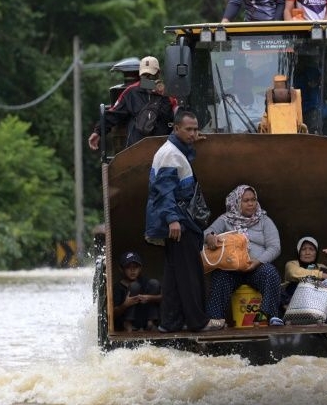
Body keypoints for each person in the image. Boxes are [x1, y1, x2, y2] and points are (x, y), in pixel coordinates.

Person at [144, 111, 226, 332]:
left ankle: (169, 323)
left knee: (174, 275)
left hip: (179, 219)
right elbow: (163, 191)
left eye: (195, 129)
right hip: (179, 221)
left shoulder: (175, 150)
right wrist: (173, 220)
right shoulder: (170, 154)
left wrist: (191, 143)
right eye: (188, 129)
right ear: (176, 129)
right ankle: (199, 322)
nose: (193, 133)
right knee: (191, 273)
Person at [203, 185, 284, 326]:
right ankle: (216, 319)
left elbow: (275, 247)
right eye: (246, 200)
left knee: (271, 273)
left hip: (256, 268)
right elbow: (206, 233)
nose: (251, 203)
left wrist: (258, 261)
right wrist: (210, 237)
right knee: (219, 276)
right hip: (232, 270)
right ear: (237, 202)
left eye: (253, 199)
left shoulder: (264, 221)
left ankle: (269, 315)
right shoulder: (225, 220)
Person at [88, 56, 177, 150]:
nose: (147, 78)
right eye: (144, 75)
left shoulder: (169, 93)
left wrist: (162, 92)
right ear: (140, 75)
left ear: (158, 74)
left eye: (151, 75)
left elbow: (178, 117)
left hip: (163, 149)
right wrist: (97, 132)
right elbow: (113, 114)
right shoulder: (131, 92)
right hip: (136, 149)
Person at [280, 236, 327, 314]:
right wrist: (320, 275)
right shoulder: (292, 264)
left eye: (311, 249)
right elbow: (293, 273)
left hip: (317, 306)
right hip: (292, 303)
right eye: (303, 249)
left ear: (316, 253)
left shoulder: (322, 268)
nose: (307, 252)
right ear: (299, 252)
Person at [112, 251, 161, 332]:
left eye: (136, 267)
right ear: (121, 269)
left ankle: (151, 323)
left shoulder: (145, 282)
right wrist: (125, 305)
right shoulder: (118, 287)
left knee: (154, 283)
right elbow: (112, 314)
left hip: (143, 320)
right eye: (128, 267)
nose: (132, 270)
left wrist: (150, 298)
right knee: (134, 286)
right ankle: (128, 324)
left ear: (140, 268)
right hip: (125, 323)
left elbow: (164, 297)